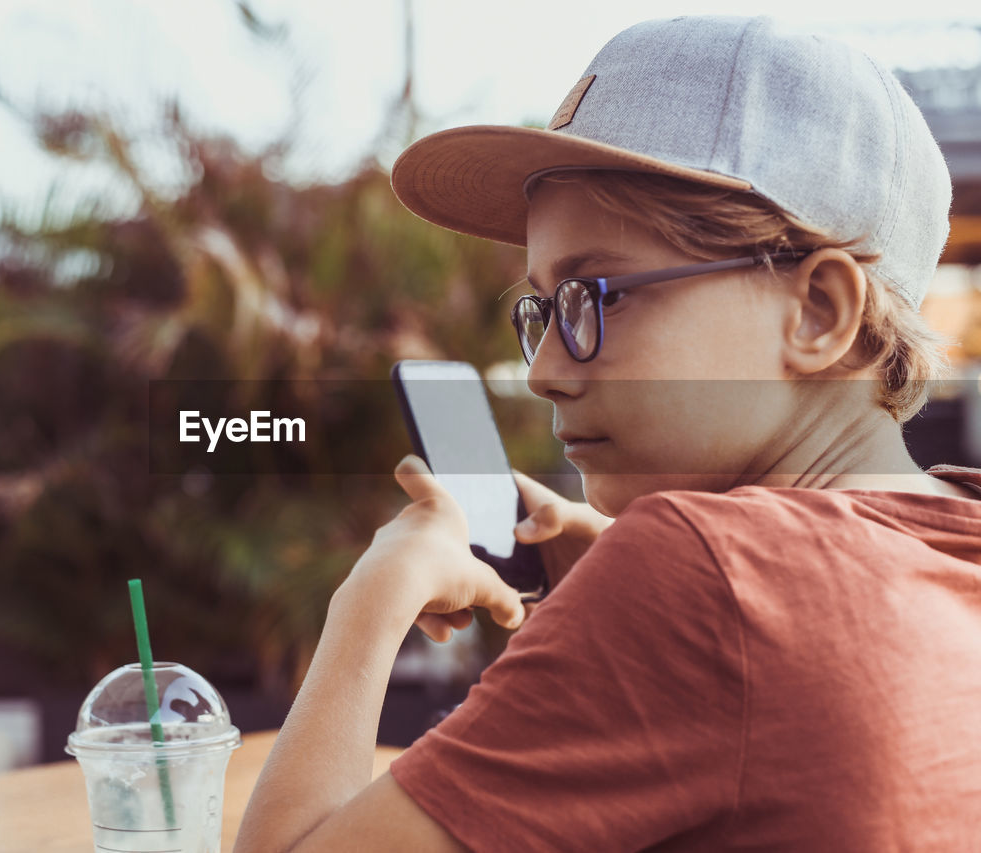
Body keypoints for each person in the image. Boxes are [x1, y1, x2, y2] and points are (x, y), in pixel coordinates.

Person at [234, 15, 981, 852]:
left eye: (602, 295)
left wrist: (376, 594)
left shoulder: (702, 574)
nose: (547, 367)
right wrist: (617, 568)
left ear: (818, 312)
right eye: (544, 308)